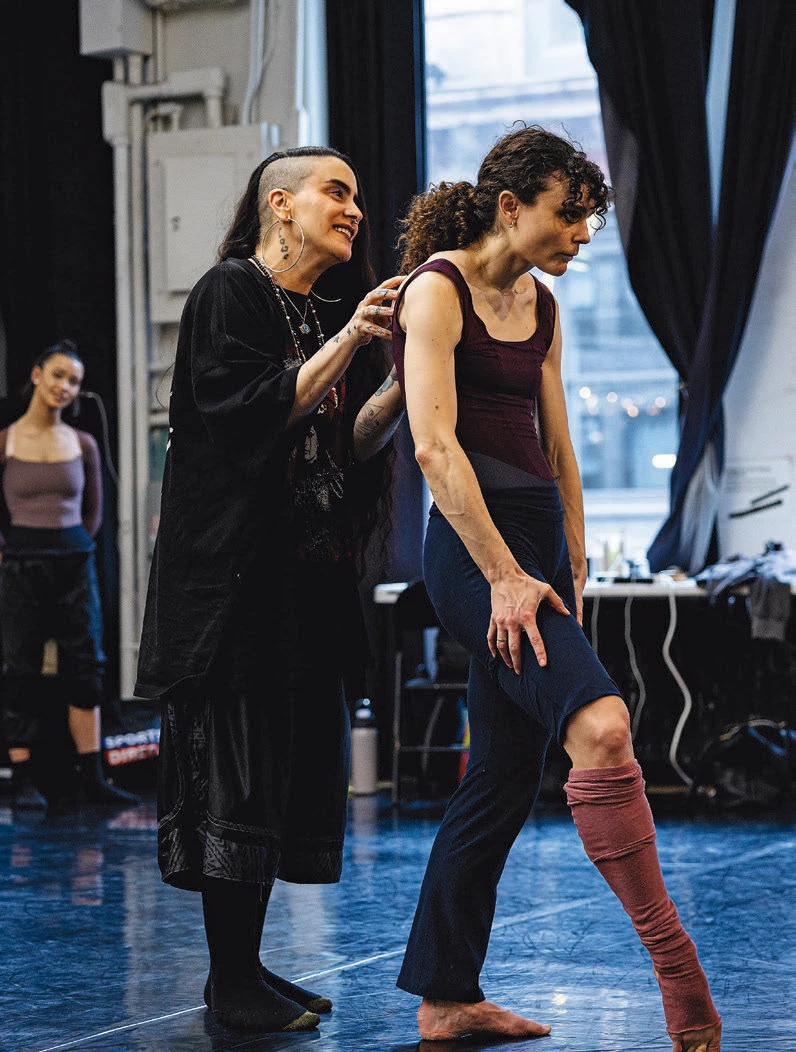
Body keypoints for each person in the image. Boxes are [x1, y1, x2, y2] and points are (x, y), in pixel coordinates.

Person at [391, 126, 721, 1052]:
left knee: (499, 781)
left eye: (587, 221)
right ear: (510, 206)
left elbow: (559, 445)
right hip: (472, 551)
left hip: (537, 546)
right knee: (603, 727)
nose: (581, 235)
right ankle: (678, 971)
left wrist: (570, 563)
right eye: (568, 215)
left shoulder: (540, 302)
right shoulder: (436, 289)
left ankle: (447, 999)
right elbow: (433, 447)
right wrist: (505, 576)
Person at [135, 146, 405, 1034]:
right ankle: (230, 979)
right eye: (337, 191)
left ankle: (244, 969)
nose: (354, 208)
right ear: (280, 204)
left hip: (303, 586)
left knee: (280, 777)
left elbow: (347, 441)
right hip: (234, 588)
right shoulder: (230, 292)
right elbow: (254, 411)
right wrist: (351, 338)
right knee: (236, 779)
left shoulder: (319, 311)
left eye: (357, 196)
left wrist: (404, 383)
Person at [0, 340, 138, 810]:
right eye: (58, 375)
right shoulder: (6, 440)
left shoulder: (83, 443)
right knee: (19, 665)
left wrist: (75, 547)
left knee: (85, 664)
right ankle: (22, 778)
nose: (65, 386)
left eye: (74, 381)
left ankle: (92, 777)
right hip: (21, 564)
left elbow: (94, 512)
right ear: (37, 374)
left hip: (74, 561)